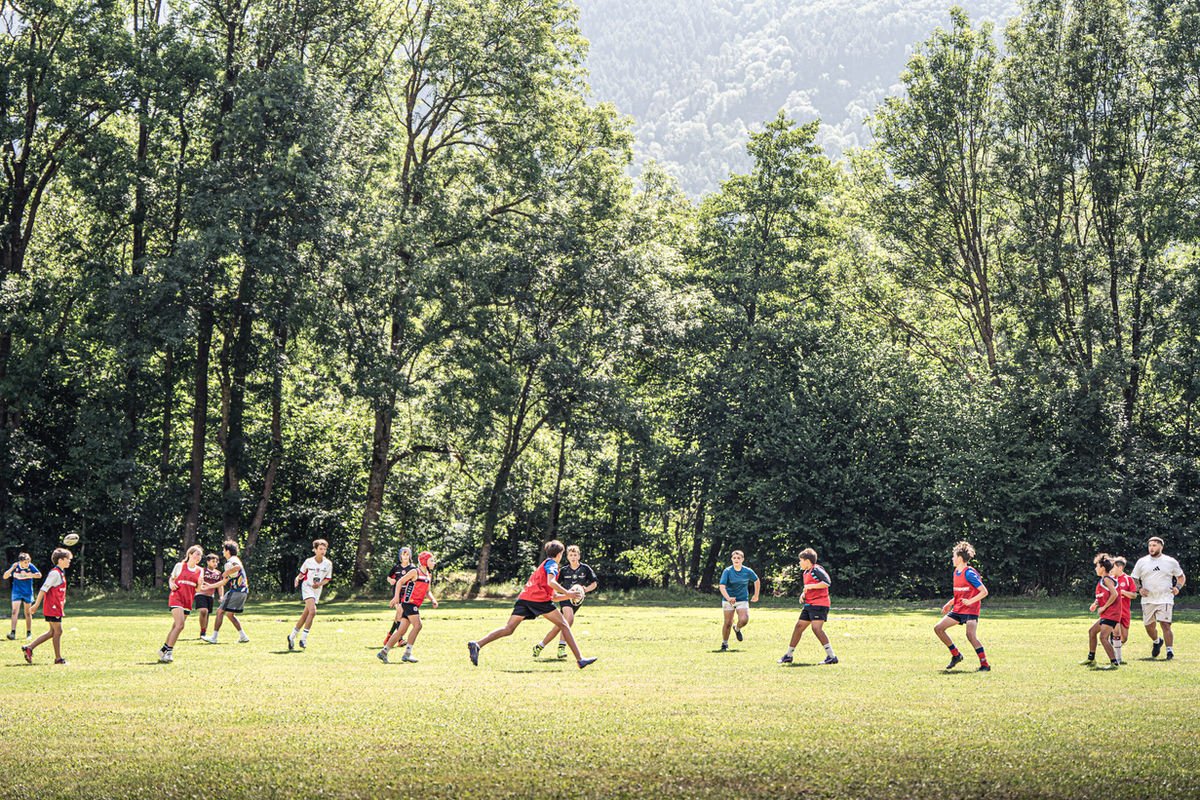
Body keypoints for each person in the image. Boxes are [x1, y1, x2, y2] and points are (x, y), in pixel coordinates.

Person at [468, 540, 596, 669]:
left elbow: (554, 597)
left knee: (509, 629)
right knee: (564, 624)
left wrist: (568, 596)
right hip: (538, 600)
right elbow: (551, 582)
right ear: (559, 554)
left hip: (525, 598)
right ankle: (580, 660)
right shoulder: (552, 565)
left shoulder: (544, 564)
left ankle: (477, 644)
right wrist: (568, 592)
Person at [933, 541, 990, 671]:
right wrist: (949, 603)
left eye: (953, 556)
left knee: (970, 635)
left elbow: (984, 592)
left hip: (971, 610)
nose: (952, 559)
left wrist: (970, 602)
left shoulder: (969, 573)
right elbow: (961, 593)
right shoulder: (956, 572)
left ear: (959, 558)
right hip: (959, 609)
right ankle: (956, 655)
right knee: (938, 628)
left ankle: (985, 664)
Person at [533, 544, 597, 659]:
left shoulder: (585, 568)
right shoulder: (563, 570)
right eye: (571, 555)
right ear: (567, 557)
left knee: (559, 625)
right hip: (565, 598)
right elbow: (554, 584)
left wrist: (585, 589)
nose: (573, 557)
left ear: (579, 556)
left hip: (577, 600)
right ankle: (561, 648)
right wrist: (560, 594)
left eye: (575, 554)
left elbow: (594, 583)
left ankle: (540, 646)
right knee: (569, 619)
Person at [1130, 536, 1186, 660]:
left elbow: (1181, 577)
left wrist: (1177, 587)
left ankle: (1169, 651)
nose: (1151, 548)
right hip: (1148, 599)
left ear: (1161, 546)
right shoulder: (1142, 561)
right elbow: (1134, 578)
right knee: (1149, 626)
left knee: (1166, 625)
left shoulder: (1170, 561)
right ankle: (1157, 641)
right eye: (1150, 545)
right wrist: (1139, 589)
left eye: (1154, 545)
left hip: (1165, 598)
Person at [779, 548, 837, 665]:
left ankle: (831, 656)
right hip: (809, 604)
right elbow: (809, 586)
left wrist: (809, 587)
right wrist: (803, 593)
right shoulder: (806, 572)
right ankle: (788, 655)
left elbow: (827, 582)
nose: (799, 563)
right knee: (799, 627)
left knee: (816, 629)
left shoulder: (816, 569)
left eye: (801, 560)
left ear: (807, 561)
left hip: (820, 604)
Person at [378, 551, 438, 663]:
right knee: (418, 625)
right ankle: (407, 654)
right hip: (409, 603)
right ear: (425, 561)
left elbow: (427, 591)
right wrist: (396, 597)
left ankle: (384, 652)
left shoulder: (428, 575)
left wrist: (433, 600)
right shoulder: (415, 571)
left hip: (413, 604)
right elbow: (400, 582)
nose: (434, 562)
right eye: (431, 560)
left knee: (401, 631)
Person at [21, 548, 72, 665]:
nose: (70, 561)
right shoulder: (55, 573)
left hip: (56, 607)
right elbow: (44, 589)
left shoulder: (60, 572)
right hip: (52, 607)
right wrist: (36, 605)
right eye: (68, 559)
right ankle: (58, 659)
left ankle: (29, 648)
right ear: (60, 560)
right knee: (58, 631)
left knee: (52, 632)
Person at [159, 545, 206, 663]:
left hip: (188, 601)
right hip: (176, 598)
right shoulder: (180, 566)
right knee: (180, 625)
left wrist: (200, 584)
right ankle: (168, 652)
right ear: (190, 554)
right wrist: (171, 584)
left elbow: (198, 590)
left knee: (175, 626)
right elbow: (172, 578)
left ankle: (164, 649)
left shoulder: (200, 570)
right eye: (196, 554)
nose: (198, 557)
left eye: (200, 555)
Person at [288, 539, 333, 651]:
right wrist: (297, 579)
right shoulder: (308, 561)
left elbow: (327, 579)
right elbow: (302, 574)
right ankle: (303, 639)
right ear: (315, 550)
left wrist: (320, 584)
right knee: (313, 611)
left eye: (324, 549)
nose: (323, 551)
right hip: (307, 587)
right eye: (320, 549)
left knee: (306, 614)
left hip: (317, 590)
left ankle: (291, 636)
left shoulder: (328, 564)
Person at [202, 540, 250, 644]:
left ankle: (214, 637)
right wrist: (210, 586)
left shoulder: (232, 560)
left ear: (227, 551)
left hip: (236, 590)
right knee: (229, 614)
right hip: (243, 591)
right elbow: (224, 581)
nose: (223, 552)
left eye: (224, 550)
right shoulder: (231, 562)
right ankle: (243, 636)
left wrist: (226, 572)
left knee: (220, 612)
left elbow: (238, 567)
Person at [1084, 553, 1121, 669]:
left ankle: (1114, 663)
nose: (1095, 568)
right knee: (1092, 632)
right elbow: (1102, 596)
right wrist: (1095, 604)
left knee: (1103, 637)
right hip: (1107, 614)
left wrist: (1104, 607)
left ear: (1103, 568)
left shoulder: (1106, 580)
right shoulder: (1102, 581)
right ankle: (1091, 659)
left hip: (1111, 614)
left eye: (1097, 566)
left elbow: (1114, 594)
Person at [718, 550, 760, 651]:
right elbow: (722, 586)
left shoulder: (747, 571)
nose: (736, 560)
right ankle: (725, 644)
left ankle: (737, 628)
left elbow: (756, 580)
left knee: (744, 619)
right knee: (727, 622)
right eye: (734, 558)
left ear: (742, 559)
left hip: (742, 599)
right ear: (732, 559)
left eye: (738, 558)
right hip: (728, 599)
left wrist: (756, 595)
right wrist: (728, 598)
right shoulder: (727, 571)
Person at [382, 547, 415, 646]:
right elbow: (388, 577)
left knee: (399, 616)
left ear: (410, 556)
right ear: (400, 556)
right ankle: (399, 639)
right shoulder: (396, 567)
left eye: (407, 554)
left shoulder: (413, 568)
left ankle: (391, 636)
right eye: (403, 554)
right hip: (397, 594)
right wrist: (390, 580)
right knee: (399, 613)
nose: (405, 556)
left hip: (407, 595)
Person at [4, 552, 41, 640]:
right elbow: (5, 576)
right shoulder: (15, 566)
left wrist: (30, 575)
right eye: (25, 562)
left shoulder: (30, 566)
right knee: (14, 611)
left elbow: (39, 575)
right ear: (20, 561)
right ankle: (13, 633)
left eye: (28, 561)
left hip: (27, 592)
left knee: (27, 613)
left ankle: (29, 633)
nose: (27, 564)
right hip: (16, 592)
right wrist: (12, 568)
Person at [1110, 556, 1138, 665]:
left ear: (1120, 567)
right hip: (1113, 611)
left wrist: (1122, 592)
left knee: (1124, 637)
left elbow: (1134, 595)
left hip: (1125, 611)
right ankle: (1116, 657)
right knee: (1116, 632)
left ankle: (1113, 647)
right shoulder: (1110, 579)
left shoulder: (1128, 579)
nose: (1111, 569)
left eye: (1113, 567)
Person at [195, 553, 225, 639]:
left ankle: (204, 631)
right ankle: (203, 631)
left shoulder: (218, 573)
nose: (215, 563)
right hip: (200, 594)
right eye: (213, 561)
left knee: (207, 613)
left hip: (210, 596)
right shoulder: (202, 571)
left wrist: (221, 596)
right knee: (203, 611)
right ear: (208, 562)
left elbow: (220, 585)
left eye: (216, 562)